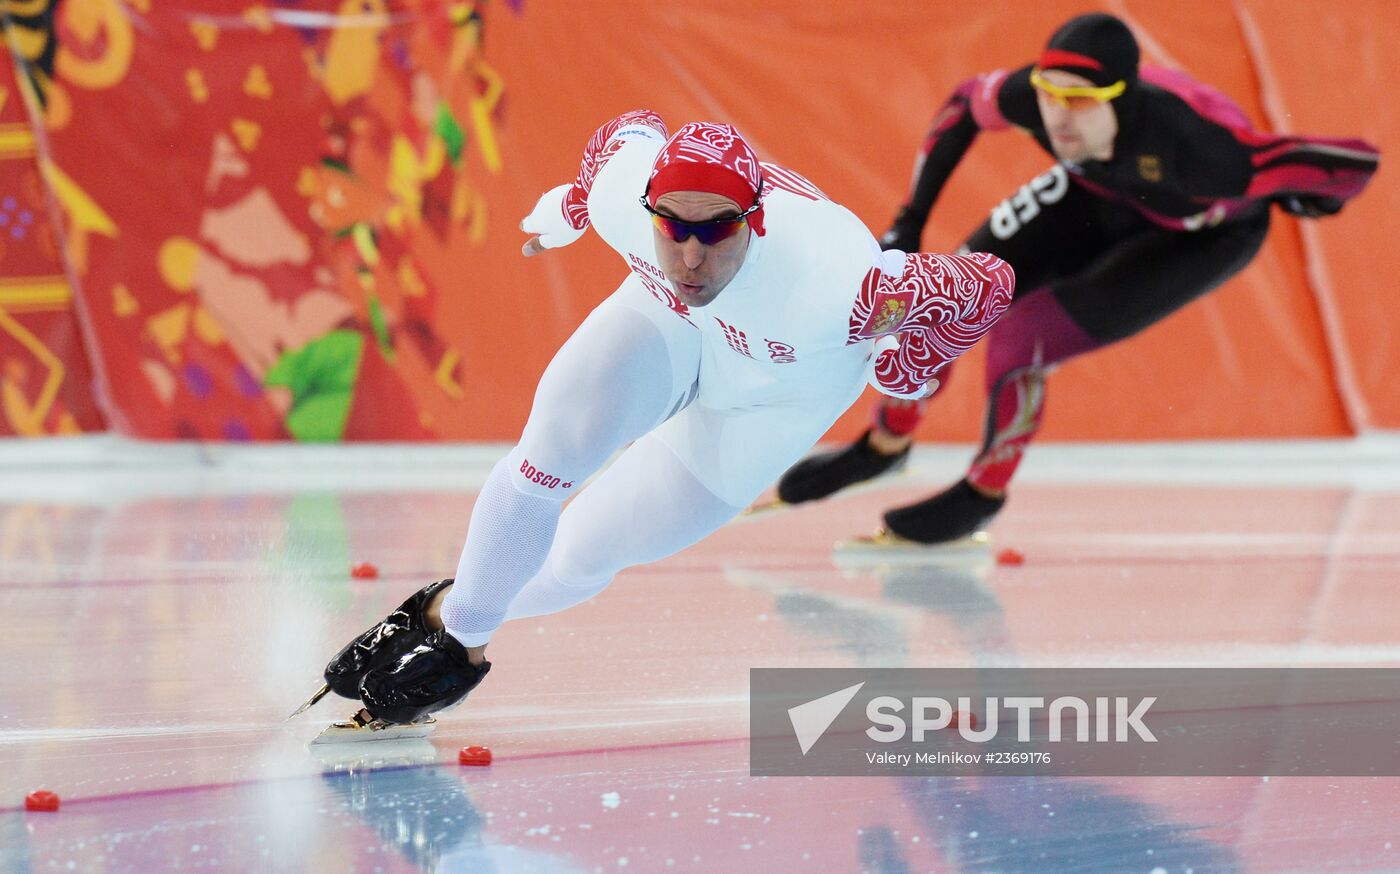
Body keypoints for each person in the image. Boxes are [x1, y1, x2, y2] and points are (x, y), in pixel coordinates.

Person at [310, 111, 1015, 727]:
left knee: (587, 554)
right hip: (670, 322)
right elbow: (624, 129)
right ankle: (460, 643)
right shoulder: (627, 194)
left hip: (770, 400)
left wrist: (915, 362)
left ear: (756, 220)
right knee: (553, 450)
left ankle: (441, 612)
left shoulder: (841, 288)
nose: (690, 255)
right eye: (671, 227)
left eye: (716, 232)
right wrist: (577, 207)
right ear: (647, 207)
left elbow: (990, 283)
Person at [775, 12, 1380, 546]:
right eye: (1049, 95)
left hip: (1198, 235)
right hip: (1095, 193)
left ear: (1123, 100)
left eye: (1081, 101)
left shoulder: (1209, 155)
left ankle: (983, 492)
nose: (1058, 117)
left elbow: (1352, 162)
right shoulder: (1029, 101)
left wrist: (1317, 201)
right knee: (946, 296)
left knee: (1020, 339)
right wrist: (908, 224)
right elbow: (961, 106)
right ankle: (888, 443)